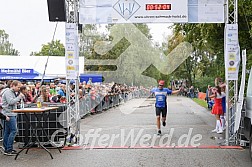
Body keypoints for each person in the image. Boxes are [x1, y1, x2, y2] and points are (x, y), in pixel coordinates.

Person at [1, 80, 25, 155]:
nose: (19, 88)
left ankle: (7, 148)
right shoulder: (8, 92)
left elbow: (11, 102)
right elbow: (11, 102)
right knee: (14, 131)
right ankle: (9, 149)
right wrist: (19, 97)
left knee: (7, 131)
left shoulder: (11, 92)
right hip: (9, 114)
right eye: (18, 87)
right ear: (13, 85)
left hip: (9, 113)